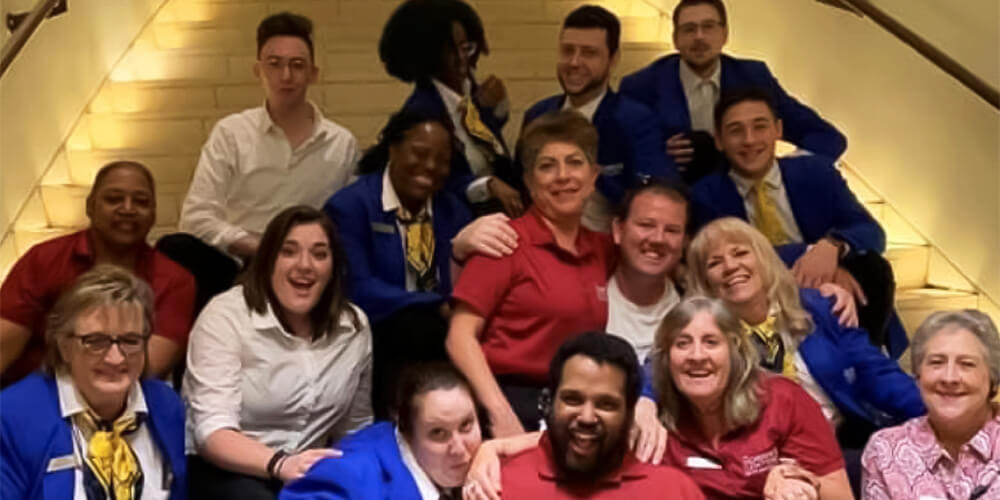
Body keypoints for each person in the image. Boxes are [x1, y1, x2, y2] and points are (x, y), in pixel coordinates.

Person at [685, 217, 925, 488]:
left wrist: (935, 412)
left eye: (740, 253)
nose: (730, 266)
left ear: (764, 259)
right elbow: (660, 364)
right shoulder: (702, 335)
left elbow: (875, 371)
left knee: (906, 457)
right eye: (714, 263)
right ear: (703, 281)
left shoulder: (819, 307)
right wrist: (645, 399)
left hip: (839, 445)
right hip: (759, 463)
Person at [163, 12, 359, 307]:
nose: (286, 76)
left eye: (297, 65)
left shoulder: (341, 144)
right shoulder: (231, 133)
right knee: (174, 247)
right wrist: (262, 246)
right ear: (258, 70)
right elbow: (196, 218)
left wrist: (294, 253)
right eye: (274, 64)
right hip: (238, 262)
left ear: (313, 74)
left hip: (305, 266)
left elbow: (349, 223)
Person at [183, 206, 372, 499]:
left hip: (308, 470)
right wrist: (280, 464)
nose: (305, 265)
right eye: (289, 252)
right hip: (228, 468)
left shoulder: (354, 326)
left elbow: (355, 428)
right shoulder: (225, 316)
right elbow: (212, 434)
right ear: (268, 260)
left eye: (320, 254)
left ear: (333, 267)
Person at [691, 88, 898, 352]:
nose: (750, 140)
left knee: (872, 266)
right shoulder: (705, 196)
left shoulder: (816, 172)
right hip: (759, 299)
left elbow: (871, 231)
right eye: (735, 131)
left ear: (778, 130)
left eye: (760, 127)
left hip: (829, 297)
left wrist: (832, 247)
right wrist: (812, 255)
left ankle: (867, 358)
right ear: (719, 140)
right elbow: (725, 261)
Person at [446, 110, 612, 437]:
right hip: (509, 402)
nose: (563, 176)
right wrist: (499, 413)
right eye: (547, 166)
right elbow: (459, 337)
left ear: (593, 177)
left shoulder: (602, 249)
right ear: (529, 182)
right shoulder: (504, 242)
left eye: (574, 163)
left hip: (574, 404)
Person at [323, 109, 474, 419]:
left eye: (442, 160)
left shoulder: (453, 211)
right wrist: (434, 304)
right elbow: (359, 289)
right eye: (419, 153)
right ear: (392, 148)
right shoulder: (351, 206)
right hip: (377, 333)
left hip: (439, 333)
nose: (430, 166)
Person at [0, 160, 195, 385]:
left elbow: (148, 367)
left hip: (123, 399)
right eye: (114, 199)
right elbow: (4, 346)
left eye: (141, 202)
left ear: (153, 214)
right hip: (34, 393)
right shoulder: (45, 259)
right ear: (90, 206)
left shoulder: (175, 280)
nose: (128, 209)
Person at [0, 265, 187, 499]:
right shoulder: (12, 415)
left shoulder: (165, 405)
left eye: (130, 341)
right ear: (64, 346)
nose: (115, 358)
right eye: (95, 341)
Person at [619, 0, 845, 183]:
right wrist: (656, 155)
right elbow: (619, 156)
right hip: (674, 197)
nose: (699, 37)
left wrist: (783, 170)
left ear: (724, 34)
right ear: (676, 39)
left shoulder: (754, 77)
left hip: (742, 195)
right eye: (689, 29)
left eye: (708, 27)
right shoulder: (641, 86)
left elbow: (826, 137)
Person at [653, 296, 853, 499]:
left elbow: (841, 495)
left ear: (734, 350)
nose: (697, 356)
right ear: (667, 357)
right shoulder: (651, 420)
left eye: (711, 342)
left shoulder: (783, 400)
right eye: (682, 344)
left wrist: (803, 483)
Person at [497, 332, 705, 499]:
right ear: (549, 403)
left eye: (606, 405)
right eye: (572, 400)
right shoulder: (498, 484)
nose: (587, 417)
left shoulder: (674, 492)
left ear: (630, 414)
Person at [522, 5, 673, 232]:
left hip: (608, 247)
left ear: (613, 59)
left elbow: (654, 196)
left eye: (588, 53)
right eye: (567, 51)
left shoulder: (635, 120)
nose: (574, 62)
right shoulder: (538, 115)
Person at [379, 0, 522, 216]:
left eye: (466, 48)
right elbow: (433, 181)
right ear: (427, 55)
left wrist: (496, 109)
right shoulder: (422, 112)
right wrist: (485, 185)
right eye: (450, 51)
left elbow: (485, 145)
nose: (462, 59)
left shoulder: (471, 91)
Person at [279, 362, 484, 499]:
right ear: (406, 432)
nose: (459, 449)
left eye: (466, 426)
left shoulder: (486, 459)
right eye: (438, 433)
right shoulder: (347, 477)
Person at [862, 310, 1000, 500]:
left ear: (993, 378)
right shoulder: (885, 451)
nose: (949, 377)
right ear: (918, 375)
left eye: (967, 364)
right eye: (936, 363)